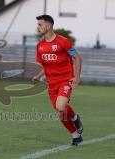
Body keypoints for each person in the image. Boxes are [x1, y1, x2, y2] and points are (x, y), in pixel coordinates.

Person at [32, 15, 83, 146]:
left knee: (60, 106)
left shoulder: (63, 41)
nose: (38, 27)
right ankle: (76, 135)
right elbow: (46, 66)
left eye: (40, 24)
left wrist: (76, 77)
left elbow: (77, 58)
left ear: (48, 26)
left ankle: (75, 118)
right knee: (60, 111)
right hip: (52, 83)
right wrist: (38, 76)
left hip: (66, 80)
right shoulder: (40, 46)